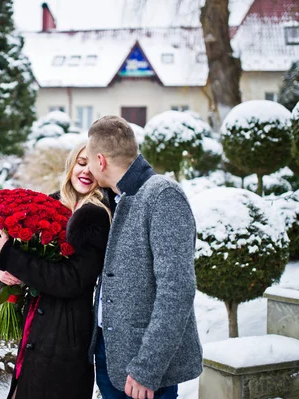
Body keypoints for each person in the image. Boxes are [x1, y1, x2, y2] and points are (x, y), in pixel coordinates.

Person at [85, 115, 203, 399]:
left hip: (143, 369)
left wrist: (147, 368)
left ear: (100, 161)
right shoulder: (112, 198)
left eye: (88, 160)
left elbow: (177, 291)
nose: (87, 168)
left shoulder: (162, 195)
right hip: (110, 355)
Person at [0, 141, 112, 399]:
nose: (86, 171)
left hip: (66, 337)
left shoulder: (97, 217)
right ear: (70, 166)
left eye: (92, 166)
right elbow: (20, 252)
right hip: (35, 327)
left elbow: (71, 280)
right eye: (80, 163)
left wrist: (10, 254)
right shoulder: (50, 203)